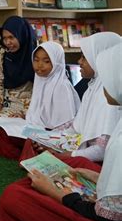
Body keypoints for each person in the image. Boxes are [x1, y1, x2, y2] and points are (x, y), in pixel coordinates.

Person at [0, 44, 122, 221]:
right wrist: (98, 179)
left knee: (13, 197)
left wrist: (57, 194)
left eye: (108, 78)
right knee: (74, 166)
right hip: (108, 208)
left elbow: (107, 218)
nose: (103, 86)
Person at [20, 32, 121, 163]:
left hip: (95, 161)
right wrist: (51, 141)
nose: (79, 62)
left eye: (84, 57)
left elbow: (101, 151)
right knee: (33, 141)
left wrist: (68, 155)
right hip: (78, 148)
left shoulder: (110, 96)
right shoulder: (92, 88)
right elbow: (75, 129)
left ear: (99, 58)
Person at [0, 41, 80, 159]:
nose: (39, 65)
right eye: (36, 60)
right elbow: (41, 110)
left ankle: (30, 153)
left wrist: (41, 133)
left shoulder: (62, 87)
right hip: (38, 130)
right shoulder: (40, 80)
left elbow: (67, 124)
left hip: (56, 135)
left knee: (31, 139)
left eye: (46, 61)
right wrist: (23, 116)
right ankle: (26, 151)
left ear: (57, 63)